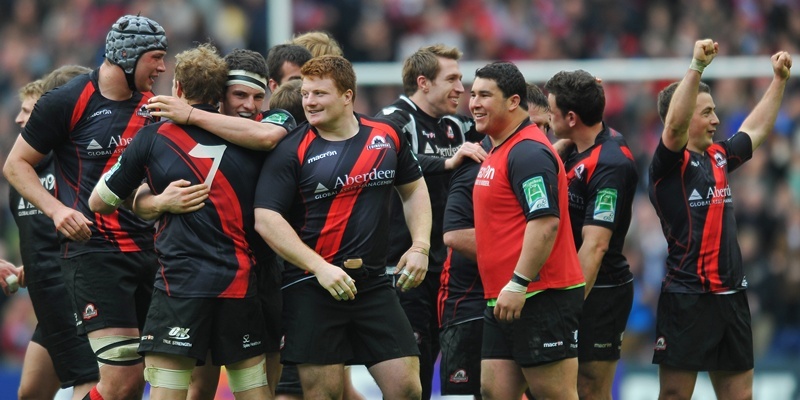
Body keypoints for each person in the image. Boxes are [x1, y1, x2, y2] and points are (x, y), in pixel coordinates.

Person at [89, 43, 270, 400]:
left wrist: (150, 199)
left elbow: (99, 201)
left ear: (179, 90)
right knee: (253, 390)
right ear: (219, 94)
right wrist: (152, 201)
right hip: (239, 283)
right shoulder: (254, 138)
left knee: (170, 391)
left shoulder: (154, 137)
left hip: (180, 285)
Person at [3, 15, 168, 400]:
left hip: (152, 253)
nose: (162, 66)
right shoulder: (66, 101)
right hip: (96, 255)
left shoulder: (155, 105)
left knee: (146, 379)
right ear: (128, 57)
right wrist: (57, 211)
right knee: (119, 383)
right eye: (156, 57)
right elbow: (15, 165)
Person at [254, 55, 431, 400]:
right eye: (306, 94)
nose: (309, 102)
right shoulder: (291, 149)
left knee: (408, 388)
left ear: (347, 95)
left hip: (374, 285)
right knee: (326, 395)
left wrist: (420, 245)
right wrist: (320, 267)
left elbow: (413, 189)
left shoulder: (386, 136)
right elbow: (266, 219)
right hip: (312, 287)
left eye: (319, 93)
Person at [649, 39, 791, 400]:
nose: (715, 119)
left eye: (714, 111)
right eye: (706, 112)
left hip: (731, 296)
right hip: (687, 297)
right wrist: (696, 66)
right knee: (675, 396)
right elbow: (675, 128)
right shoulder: (669, 165)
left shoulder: (719, 156)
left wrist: (779, 81)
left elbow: (755, 131)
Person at [469, 61, 585, 400]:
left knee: (556, 394)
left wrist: (519, 282)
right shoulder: (498, 149)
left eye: (485, 95)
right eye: (473, 94)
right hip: (504, 298)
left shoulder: (528, 152)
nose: (474, 102)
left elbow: (545, 221)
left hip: (538, 294)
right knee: (495, 392)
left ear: (513, 101)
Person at [377, 43, 486, 399]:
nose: (461, 88)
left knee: (451, 368)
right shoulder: (395, 118)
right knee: (414, 372)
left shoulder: (458, 124)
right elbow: (387, 160)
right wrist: (447, 162)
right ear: (423, 82)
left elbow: (506, 131)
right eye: (452, 79)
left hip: (450, 267)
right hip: (405, 265)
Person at [544, 69, 638, 400]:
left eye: (551, 111)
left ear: (571, 117)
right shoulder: (576, 145)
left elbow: (595, 246)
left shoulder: (610, 163)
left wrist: (566, 309)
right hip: (568, 284)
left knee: (590, 389)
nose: (547, 116)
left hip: (600, 290)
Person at [11, 65, 99, 400]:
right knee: (31, 391)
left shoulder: (74, 166)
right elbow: (37, 235)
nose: (21, 120)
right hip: (46, 299)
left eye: (29, 111)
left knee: (91, 381)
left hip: (76, 294)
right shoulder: (21, 174)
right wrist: (26, 268)